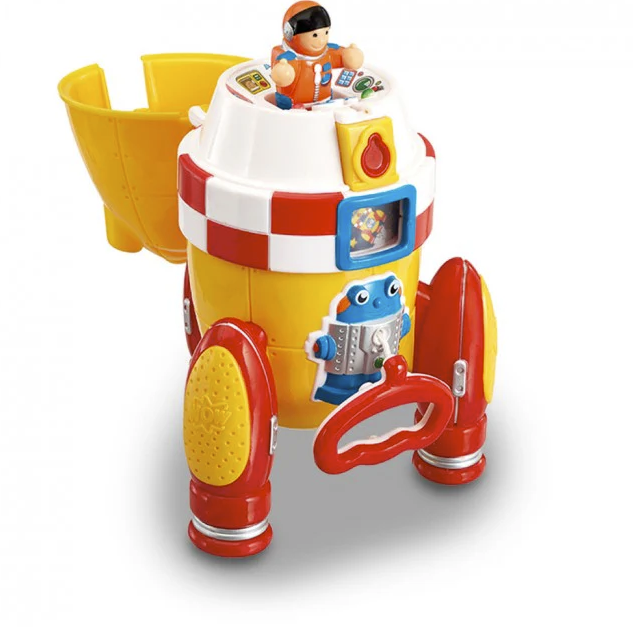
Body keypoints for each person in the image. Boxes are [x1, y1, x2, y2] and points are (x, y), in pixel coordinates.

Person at [271, 2, 364, 109]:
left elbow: (346, 58)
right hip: (294, 107)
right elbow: (281, 75)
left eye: (326, 33)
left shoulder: (328, 52)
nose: (322, 40)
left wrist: (351, 56)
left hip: (325, 103)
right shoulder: (289, 57)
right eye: (315, 35)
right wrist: (283, 72)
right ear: (290, 33)